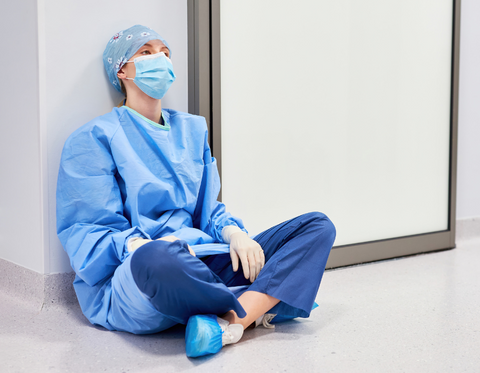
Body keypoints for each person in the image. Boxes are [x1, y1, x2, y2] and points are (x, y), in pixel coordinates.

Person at [56, 24, 336, 358]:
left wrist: (234, 233)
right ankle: (263, 300)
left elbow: (209, 210)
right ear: (121, 69)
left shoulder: (191, 129)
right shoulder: (93, 138)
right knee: (156, 258)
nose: (159, 58)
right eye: (146, 52)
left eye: (164, 52)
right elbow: (87, 232)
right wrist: (148, 244)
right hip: (141, 275)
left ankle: (231, 321)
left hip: (202, 260)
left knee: (317, 226)